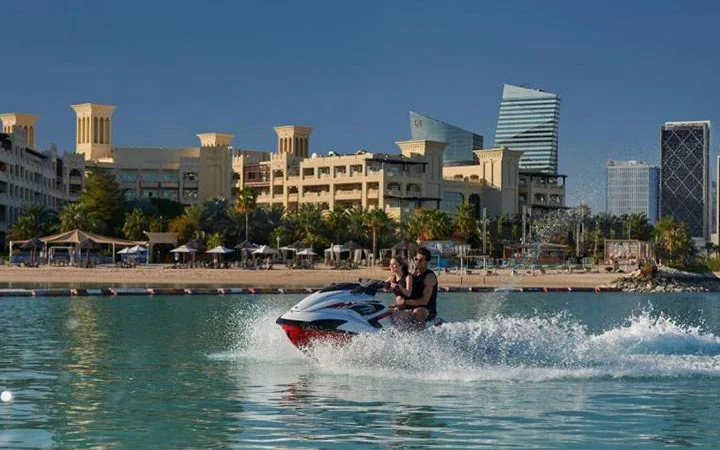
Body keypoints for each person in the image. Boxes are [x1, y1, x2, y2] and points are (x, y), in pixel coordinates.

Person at [393, 247, 438, 325]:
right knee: (394, 311)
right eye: (416, 259)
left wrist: (404, 302)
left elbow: (424, 301)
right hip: (411, 306)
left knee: (417, 312)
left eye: (421, 260)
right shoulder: (412, 275)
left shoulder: (429, 277)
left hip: (427, 309)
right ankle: (398, 335)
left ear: (427, 262)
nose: (417, 262)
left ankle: (420, 336)